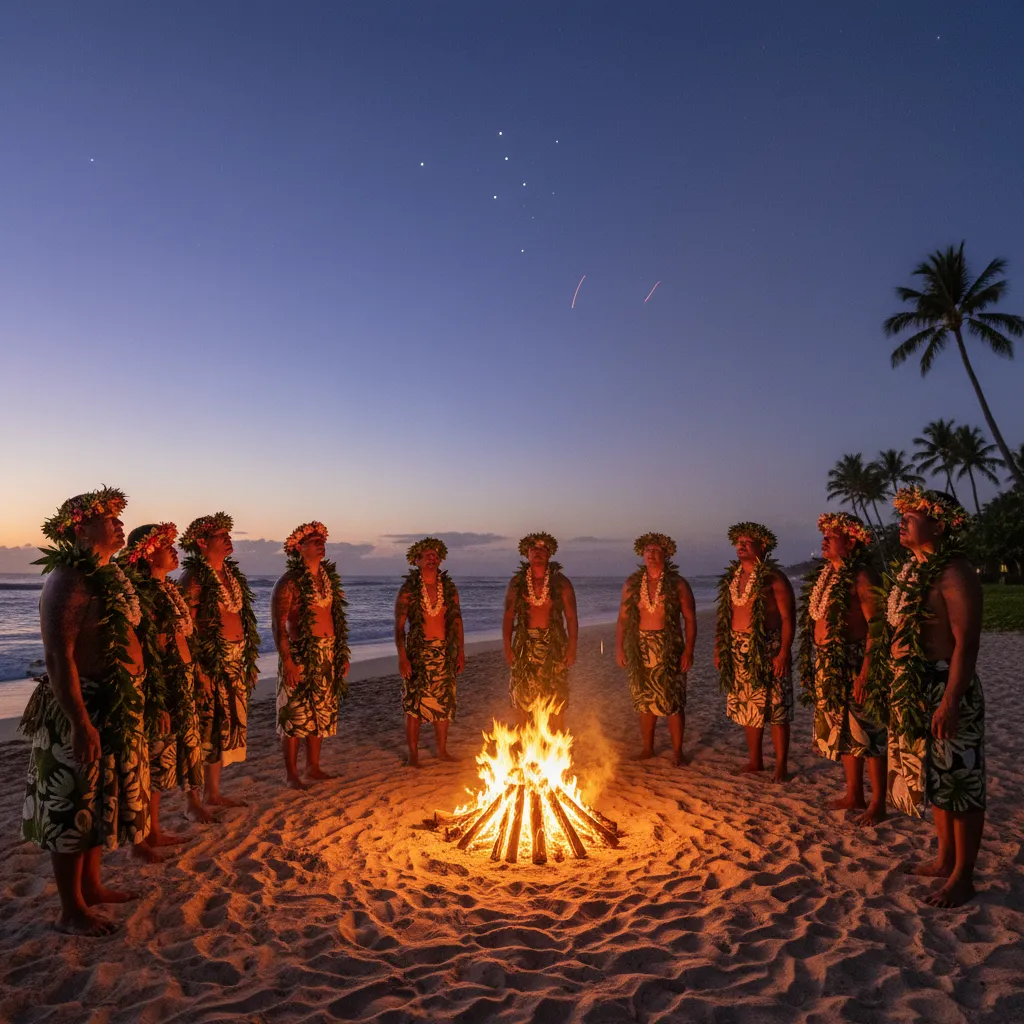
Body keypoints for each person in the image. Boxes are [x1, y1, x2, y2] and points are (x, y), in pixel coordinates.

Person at [20, 488, 150, 935]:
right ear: (79, 528)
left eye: (118, 516)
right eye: (109, 517)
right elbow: (59, 657)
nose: (119, 524)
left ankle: (92, 887)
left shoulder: (107, 575)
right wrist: (79, 721)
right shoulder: (69, 578)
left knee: (95, 804)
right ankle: (70, 909)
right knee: (72, 803)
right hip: (83, 704)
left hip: (112, 703)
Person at [882, 487, 984, 907]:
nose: (902, 520)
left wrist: (951, 700)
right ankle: (944, 859)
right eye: (901, 514)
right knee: (937, 780)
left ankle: (963, 876)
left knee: (961, 781)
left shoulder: (954, 571)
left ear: (938, 525)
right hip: (915, 686)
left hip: (946, 684)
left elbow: (967, 643)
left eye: (912, 514)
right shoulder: (912, 569)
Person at [121, 523, 210, 857]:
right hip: (159, 687)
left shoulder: (167, 589)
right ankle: (142, 839)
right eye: (166, 544)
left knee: (165, 759)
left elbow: (180, 637)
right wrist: (157, 701)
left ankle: (154, 830)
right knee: (152, 757)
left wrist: (196, 669)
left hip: (180, 680)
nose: (174, 550)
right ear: (146, 553)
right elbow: (149, 647)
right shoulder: (142, 593)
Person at [797, 513, 887, 824]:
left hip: (855, 659)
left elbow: (877, 625)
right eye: (824, 534)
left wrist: (866, 672)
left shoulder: (861, 576)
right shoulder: (827, 575)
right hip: (828, 661)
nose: (824, 539)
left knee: (869, 732)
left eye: (832, 535)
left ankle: (878, 802)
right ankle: (854, 794)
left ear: (851, 541)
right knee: (845, 732)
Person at [178, 513, 259, 807]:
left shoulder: (231, 576)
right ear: (202, 542)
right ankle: (192, 802)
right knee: (203, 729)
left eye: (228, 534)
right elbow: (184, 627)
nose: (228, 539)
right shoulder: (194, 578)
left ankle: (212, 793)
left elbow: (239, 617)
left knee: (223, 728)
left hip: (235, 660)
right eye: (220, 535)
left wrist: (247, 660)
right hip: (209, 663)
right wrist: (199, 667)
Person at [715, 522, 796, 782]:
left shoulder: (774, 578)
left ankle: (781, 766)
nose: (740, 546)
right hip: (738, 647)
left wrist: (783, 652)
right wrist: (720, 646)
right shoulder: (733, 577)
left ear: (763, 546)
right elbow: (724, 616)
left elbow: (788, 618)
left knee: (776, 710)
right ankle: (755, 760)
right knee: (748, 707)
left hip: (768, 647)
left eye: (746, 542)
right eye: (738, 542)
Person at [272, 521, 350, 789]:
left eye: (322, 540)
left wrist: (341, 655)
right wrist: (288, 662)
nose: (321, 543)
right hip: (299, 653)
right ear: (298, 547)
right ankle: (291, 773)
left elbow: (335, 619)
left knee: (321, 712)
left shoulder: (327, 581)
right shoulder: (289, 583)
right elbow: (278, 625)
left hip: (327, 653)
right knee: (294, 715)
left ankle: (313, 767)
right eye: (314, 540)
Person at [616, 532, 696, 765]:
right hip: (640, 647)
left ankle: (677, 752)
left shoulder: (678, 584)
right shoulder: (632, 583)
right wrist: (619, 649)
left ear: (666, 554)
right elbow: (622, 619)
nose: (650, 554)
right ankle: (648, 748)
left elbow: (690, 620)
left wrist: (688, 650)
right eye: (647, 550)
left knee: (672, 700)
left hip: (669, 646)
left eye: (656, 550)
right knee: (644, 699)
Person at [394, 537, 465, 767]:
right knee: (415, 704)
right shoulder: (408, 590)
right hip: (418, 652)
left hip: (444, 651)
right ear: (417, 560)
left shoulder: (450, 589)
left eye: (435, 555)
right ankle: (413, 755)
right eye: (427, 555)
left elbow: (457, 621)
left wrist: (460, 652)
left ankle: (442, 750)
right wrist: (403, 657)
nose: (432, 558)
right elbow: (399, 626)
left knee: (444, 702)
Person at [502, 532, 578, 731]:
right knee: (522, 696)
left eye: (543, 548)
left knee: (556, 696)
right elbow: (509, 617)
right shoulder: (517, 584)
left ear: (549, 553)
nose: (538, 552)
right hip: (524, 644)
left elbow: (571, 617)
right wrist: (508, 648)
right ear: (526, 553)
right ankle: (526, 747)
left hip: (554, 643)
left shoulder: (561, 582)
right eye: (534, 548)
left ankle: (556, 744)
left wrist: (572, 647)